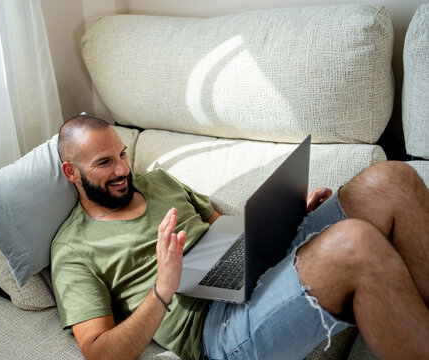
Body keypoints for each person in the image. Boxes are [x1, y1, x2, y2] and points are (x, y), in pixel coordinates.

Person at [51, 114, 429, 360]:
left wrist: (291, 218)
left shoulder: (158, 181)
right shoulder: (74, 250)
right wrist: (163, 289)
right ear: (71, 172)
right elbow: (98, 352)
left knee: (391, 180)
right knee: (354, 243)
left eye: (121, 154)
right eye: (104, 163)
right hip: (217, 326)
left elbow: (221, 226)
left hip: (250, 265)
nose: (122, 170)